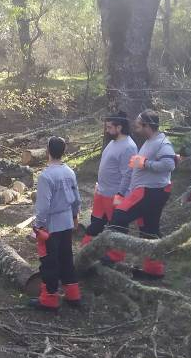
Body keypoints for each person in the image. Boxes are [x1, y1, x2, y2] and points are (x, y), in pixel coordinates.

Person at [107, 110, 176, 279]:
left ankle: (113, 258)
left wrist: (145, 163)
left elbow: (169, 164)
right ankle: (154, 270)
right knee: (149, 229)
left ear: (147, 125)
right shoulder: (150, 141)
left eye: (138, 125)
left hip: (150, 191)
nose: (135, 128)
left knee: (119, 216)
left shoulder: (161, 142)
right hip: (150, 190)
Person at [28, 136, 82, 311]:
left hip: (51, 226)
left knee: (49, 262)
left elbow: (43, 206)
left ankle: (49, 299)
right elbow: (76, 199)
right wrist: (75, 217)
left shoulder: (46, 176)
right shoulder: (69, 172)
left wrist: (38, 226)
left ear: (47, 151)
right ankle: (73, 294)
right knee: (66, 258)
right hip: (66, 222)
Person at [81, 111, 137, 266]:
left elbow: (128, 174)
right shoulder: (113, 142)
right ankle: (87, 249)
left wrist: (121, 195)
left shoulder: (129, 147)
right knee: (96, 223)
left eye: (109, 127)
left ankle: (115, 257)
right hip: (102, 192)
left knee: (117, 227)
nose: (107, 130)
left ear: (119, 127)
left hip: (115, 195)